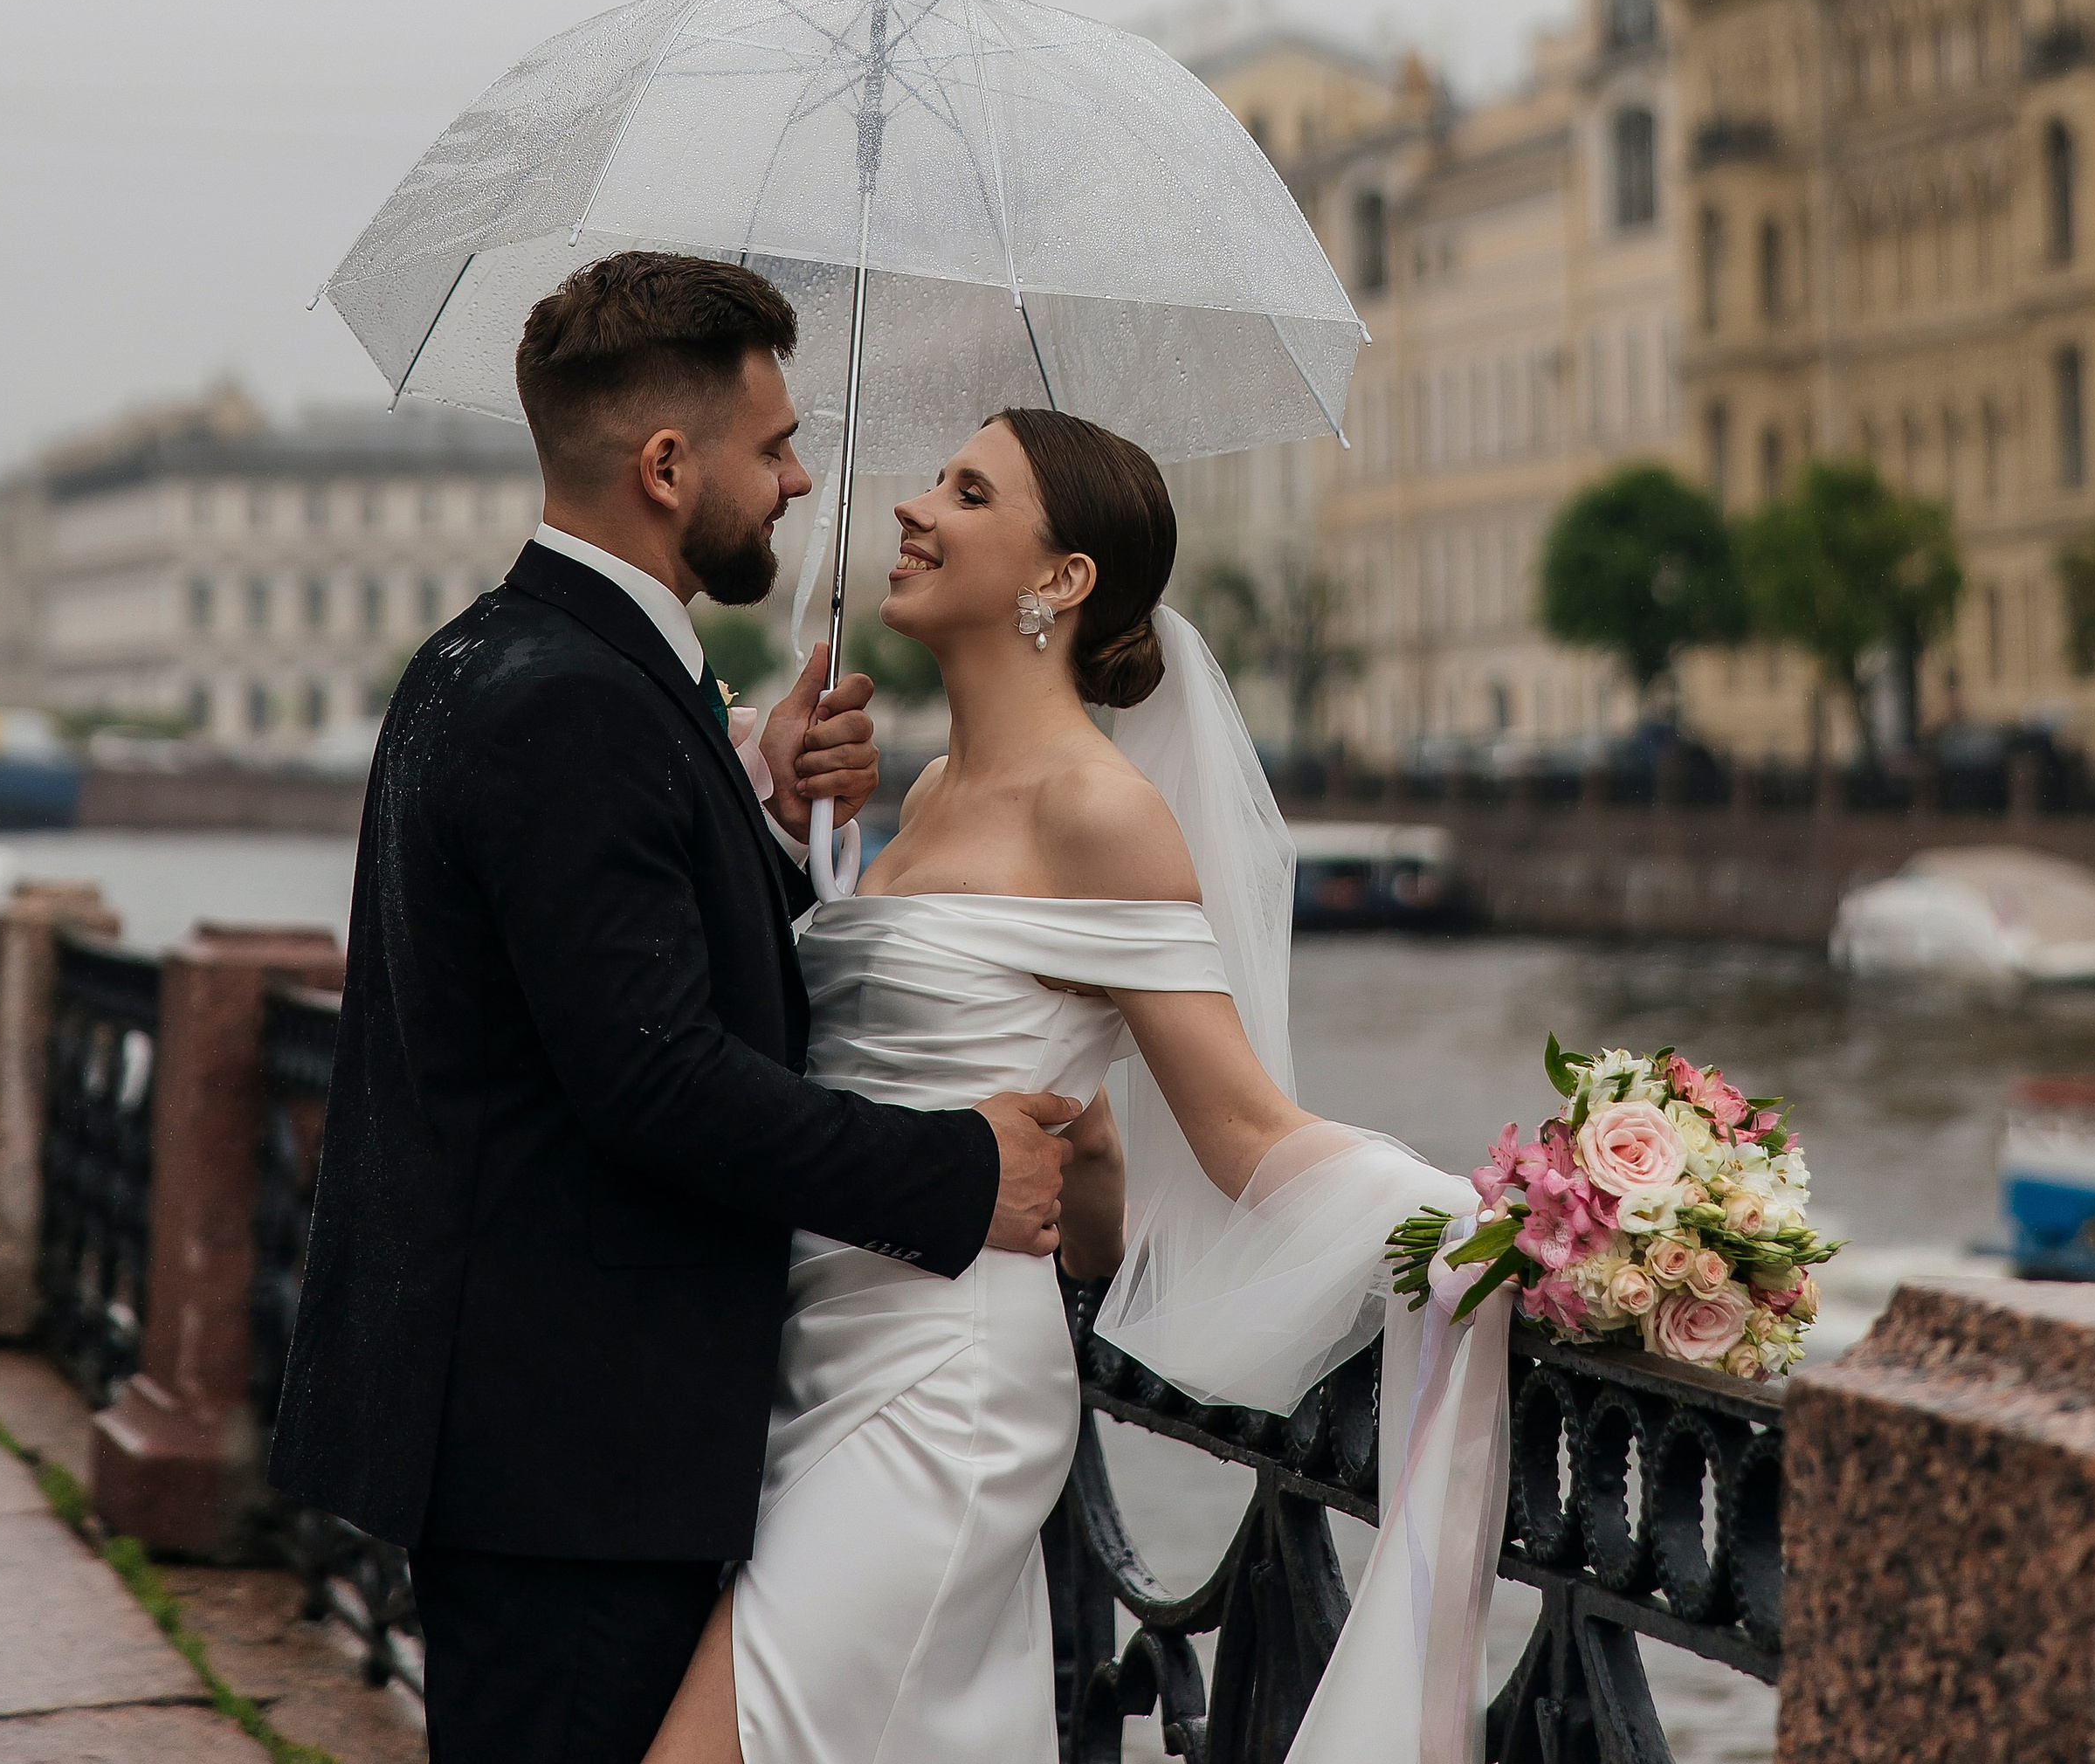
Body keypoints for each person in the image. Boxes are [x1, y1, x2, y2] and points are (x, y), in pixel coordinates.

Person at [269, 255, 1079, 1764]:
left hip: (525, 1422)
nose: (796, 482)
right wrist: (960, 1171)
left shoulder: (491, 656)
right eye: (772, 448)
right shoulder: (578, 700)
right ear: (665, 466)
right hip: (571, 1446)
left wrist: (757, 817)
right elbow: (654, 1079)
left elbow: (581, 980)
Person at [641, 405, 1507, 1764]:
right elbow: (1042, 1133)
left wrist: (1505, 1218)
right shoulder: (924, 793)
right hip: (815, 1353)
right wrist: (777, 817)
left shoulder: (1097, 811)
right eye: (935, 482)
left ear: (1064, 577)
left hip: (942, 1384)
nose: (915, 507)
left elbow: (1241, 1130)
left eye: (969, 493)